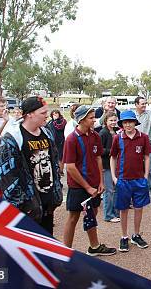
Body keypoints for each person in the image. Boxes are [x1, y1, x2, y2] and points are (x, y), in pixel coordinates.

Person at [0, 96, 63, 234]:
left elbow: (54, 165)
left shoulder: (47, 133)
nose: (47, 116)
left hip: (46, 203)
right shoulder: (13, 138)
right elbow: (5, 176)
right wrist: (23, 203)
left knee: (45, 245)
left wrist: (56, 194)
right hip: (26, 207)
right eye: (43, 113)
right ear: (30, 114)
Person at [62, 105, 116, 256]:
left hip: (94, 185)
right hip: (78, 186)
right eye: (91, 118)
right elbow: (70, 167)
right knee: (73, 217)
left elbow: (98, 158)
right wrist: (87, 187)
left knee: (91, 213)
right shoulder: (71, 139)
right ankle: (65, 251)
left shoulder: (95, 136)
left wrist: (100, 182)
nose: (94, 120)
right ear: (81, 119)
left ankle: (94, 246)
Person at [110, 110, 151, 252]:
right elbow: (113, 157)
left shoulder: (143, 137)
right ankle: (124, 236)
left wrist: (146, 176)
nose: (128, 125)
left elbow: (147, 157)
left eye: (130, 121)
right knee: (123, 209)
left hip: (139, 179)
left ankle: (136, 234)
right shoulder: (118, 138)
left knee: (139, 208)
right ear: (121, 124)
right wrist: (114, 177)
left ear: (135, 122)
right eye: (125, 122)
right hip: (123, 179)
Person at [133, 96, 151, 202]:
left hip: (147, 146)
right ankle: (138, 193)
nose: (144, 105)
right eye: (142, 103)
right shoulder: (132, 115)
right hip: (134, 147)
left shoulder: (149, 114)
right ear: (136, 105)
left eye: (145, 103)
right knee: (136, 170)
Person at [99, 111, 120, 223]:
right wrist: (111, 151)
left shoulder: (117, 132)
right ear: (106, 121)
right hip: (106, 165)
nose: (113, 122)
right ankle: (108, 214)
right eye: (110, 120)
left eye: (114, 120)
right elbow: (99, 150)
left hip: (115, 165)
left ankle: (115, 212)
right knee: (109, 190)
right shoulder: (103, 133)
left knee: (116, 189)